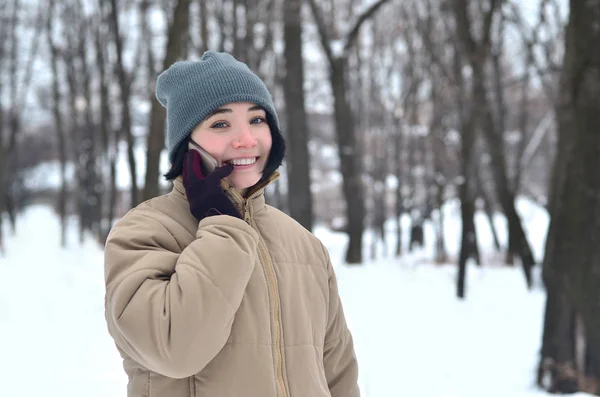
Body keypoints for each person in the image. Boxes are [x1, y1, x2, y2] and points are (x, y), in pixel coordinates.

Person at [103, 50, 360, 397]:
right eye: (220, 124)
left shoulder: (305, 245)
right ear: (186, 144)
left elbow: (338, 377)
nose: (246, 139)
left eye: (257, 120)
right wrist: (222, 224)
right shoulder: (145, 232)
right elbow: (174, 350)